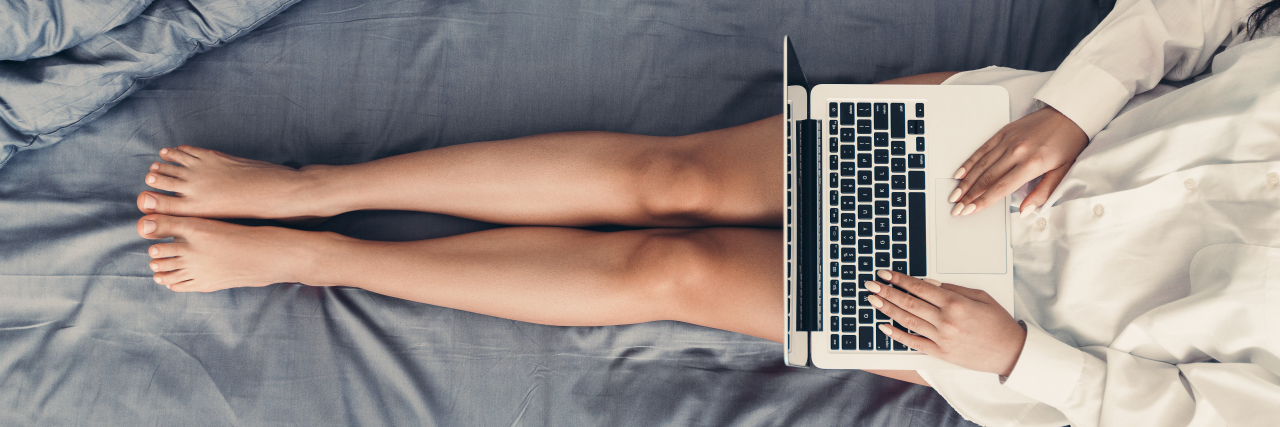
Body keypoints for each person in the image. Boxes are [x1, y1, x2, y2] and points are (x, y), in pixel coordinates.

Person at [134, 0, 1280, 424]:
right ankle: (308, 188)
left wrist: (1016, 353)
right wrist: (1075, 107)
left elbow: (1196, 416)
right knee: (672, 178)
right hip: (1005, 149)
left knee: (666, 271)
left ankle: (320, 259)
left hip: (999, 319)